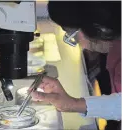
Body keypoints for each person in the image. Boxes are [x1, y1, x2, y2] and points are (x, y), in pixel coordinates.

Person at [29, 1, 121, 130]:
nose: (80, 45)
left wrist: (74, 104)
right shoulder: (114, 49)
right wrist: (72, 104)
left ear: (99, 27)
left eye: (73, 35)